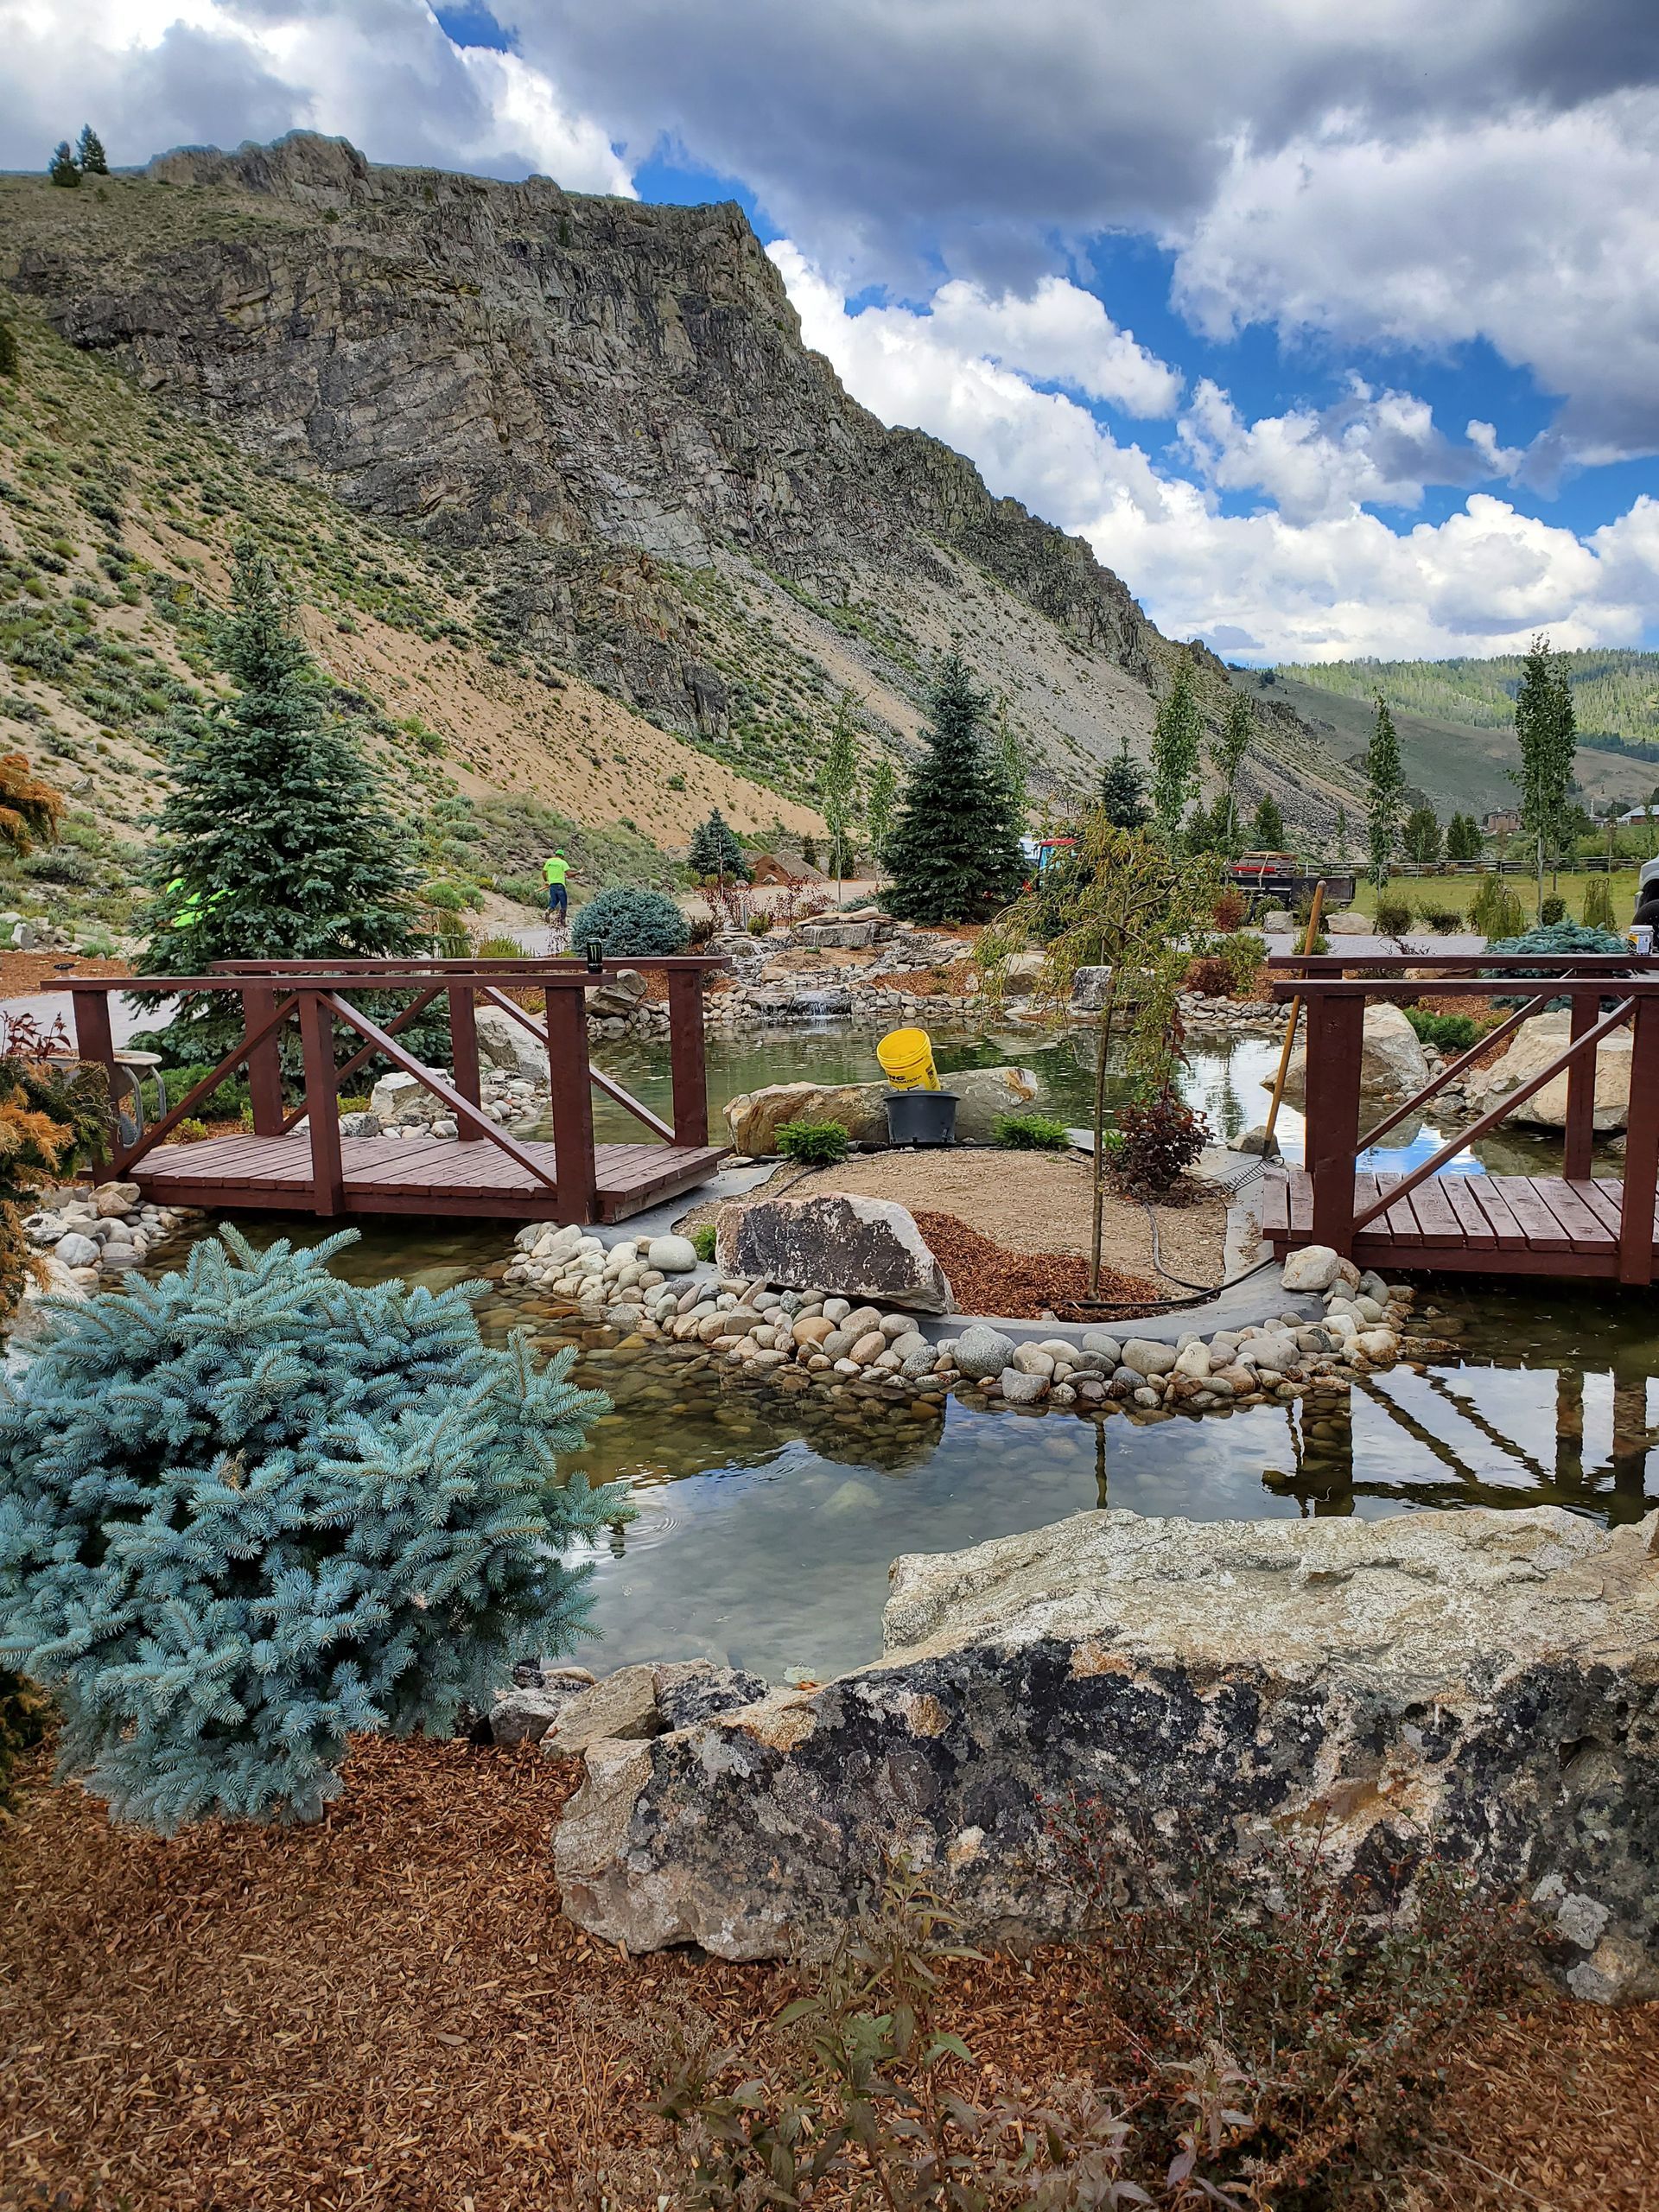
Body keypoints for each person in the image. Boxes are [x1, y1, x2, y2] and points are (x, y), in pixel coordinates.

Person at [543, 849, 570, 921]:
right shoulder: (563, 863)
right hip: (560, 885)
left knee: (554, 901)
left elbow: (544, 872)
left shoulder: (549, 861)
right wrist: (579, 872)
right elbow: (569, 874)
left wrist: (546, 881)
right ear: (562, 856)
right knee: (563, 903)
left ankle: (548, 911)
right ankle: (562, 920)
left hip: (552, 885)